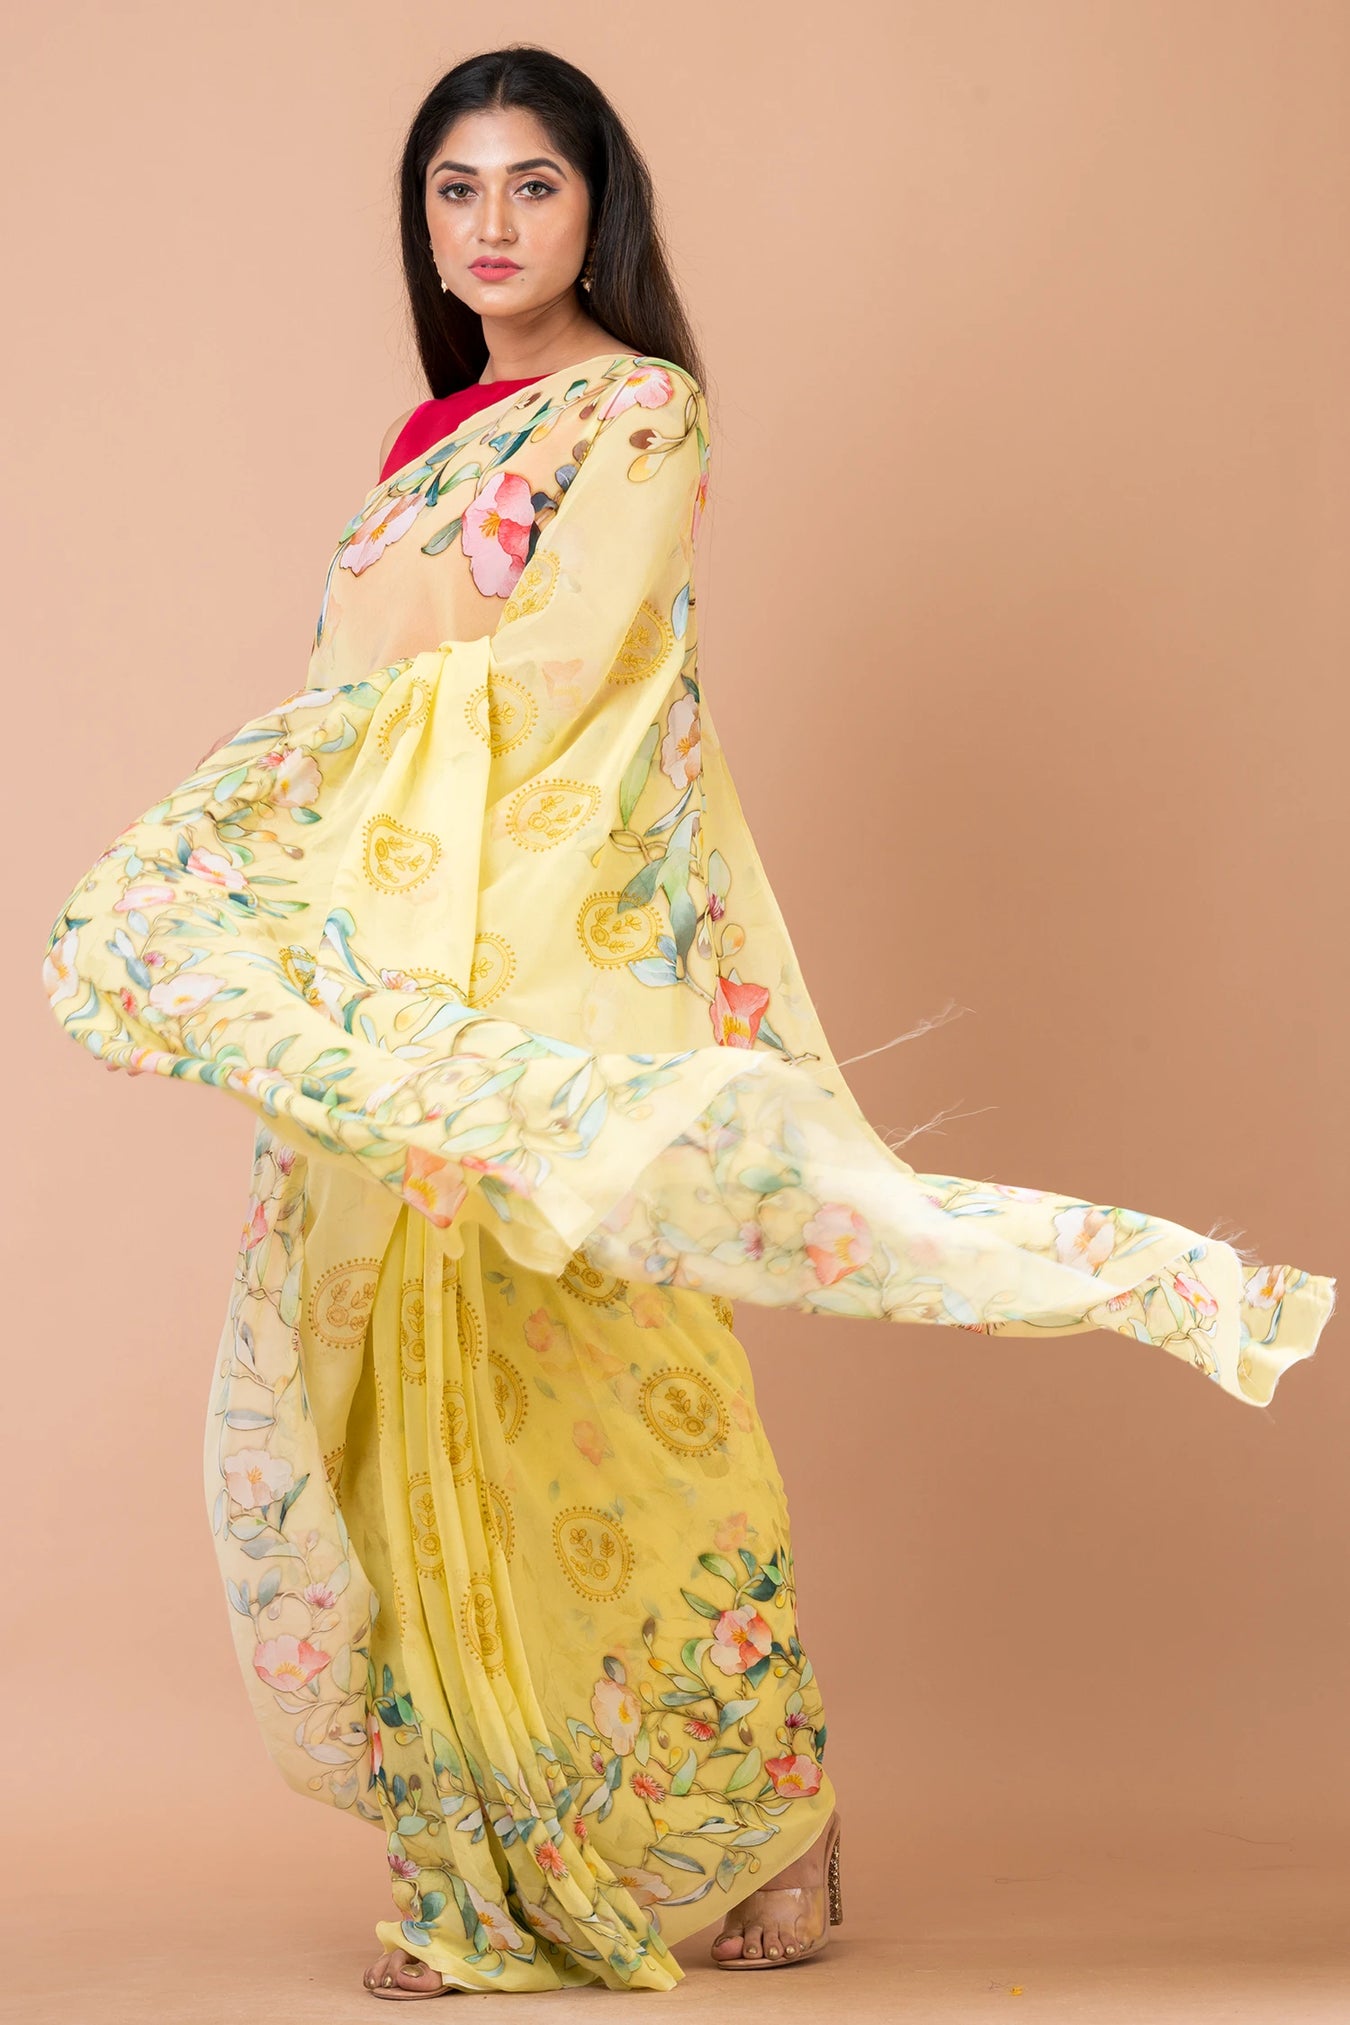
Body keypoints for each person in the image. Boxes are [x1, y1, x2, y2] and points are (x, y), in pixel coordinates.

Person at [39, 42, 1335, 2005]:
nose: (491, 224)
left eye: (531, 185)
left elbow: (564, 681)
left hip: (546, 989)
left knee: (636, 1403)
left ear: (599, 212)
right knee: (402, 1405)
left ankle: (776, 1809)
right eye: (455, 189)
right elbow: (372, 684)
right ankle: (475, 1861)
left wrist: (325, 765)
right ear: (422, 226)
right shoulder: (427, 439)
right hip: (403, 987)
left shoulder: (637, 414)